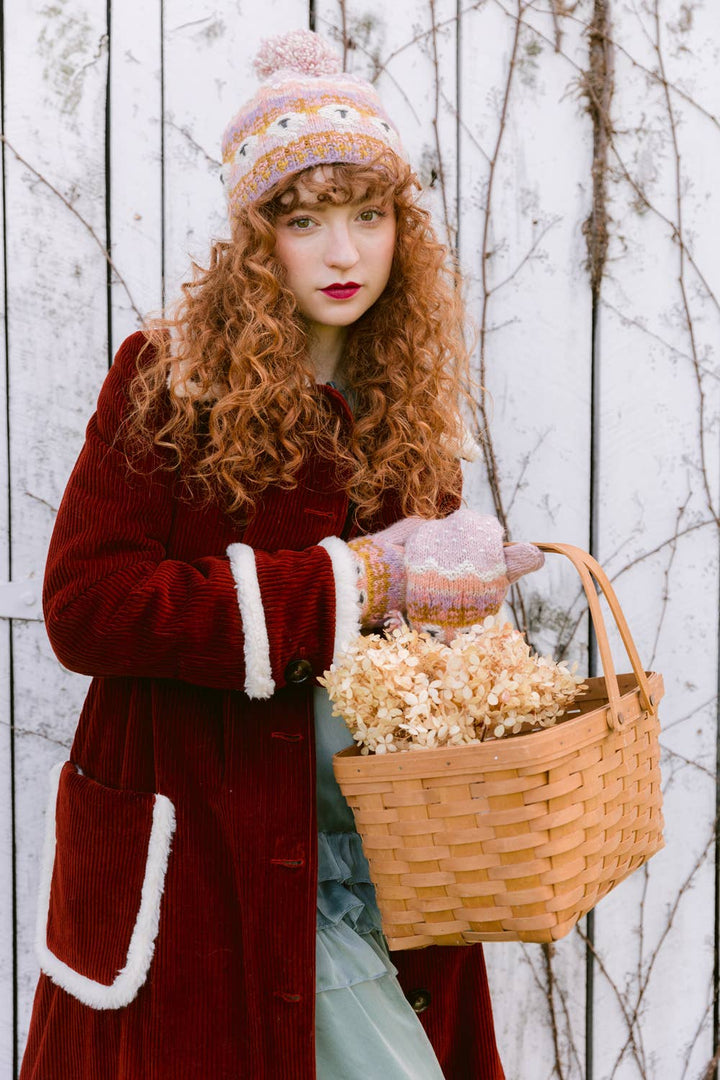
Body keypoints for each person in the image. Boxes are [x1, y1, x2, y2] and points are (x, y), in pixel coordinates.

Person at [19, 29, 542, 1079]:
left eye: (368, 215)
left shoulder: (405, 402)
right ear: (258, 239)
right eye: (305, 220)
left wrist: (462, 621)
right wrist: (364, 578)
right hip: (207, 854)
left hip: (370, 861)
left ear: (401, 229)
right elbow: (86, 606)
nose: (344, 253)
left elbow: (408, 654)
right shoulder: (167, 382)